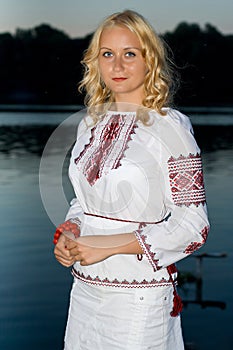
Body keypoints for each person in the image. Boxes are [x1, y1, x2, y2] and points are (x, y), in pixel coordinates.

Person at [54, 9, 209, 350]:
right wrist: (72, 230)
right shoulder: (89, 125)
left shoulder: (171, 128)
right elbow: (85, 201)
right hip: (84, 291)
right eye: (107, 54)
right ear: (95, 62)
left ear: (149, 60)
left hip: (138, 297)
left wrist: (108, 245)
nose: (118, 66)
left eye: (130, 54)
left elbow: (194, 228)